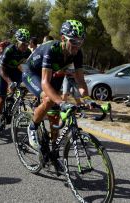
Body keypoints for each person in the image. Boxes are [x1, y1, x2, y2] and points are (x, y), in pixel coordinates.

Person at [21, 20, 94, 174]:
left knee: (55, 118)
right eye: (73, 40)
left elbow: (80, 81)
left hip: (51, 75)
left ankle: (54, 155)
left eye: (81, 41)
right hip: (31, 72)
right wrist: (62, 102)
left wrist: (87, 99)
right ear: (63, 38)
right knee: (48, 99)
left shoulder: (77, 54)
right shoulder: (51, 49)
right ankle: (33, 127)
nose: (77, 44)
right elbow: (45, 83)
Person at [0, 29, 32, 135]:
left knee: (24, 87)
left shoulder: (28, 52)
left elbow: (30, 68)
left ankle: (11, 103)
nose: (25, 46)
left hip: (15, 70)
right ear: (16, 41)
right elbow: (1, 69)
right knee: (2, 97)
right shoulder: (9, 50)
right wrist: (10, 82)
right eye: (23, 43)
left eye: (27, 43)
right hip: (3, 70)